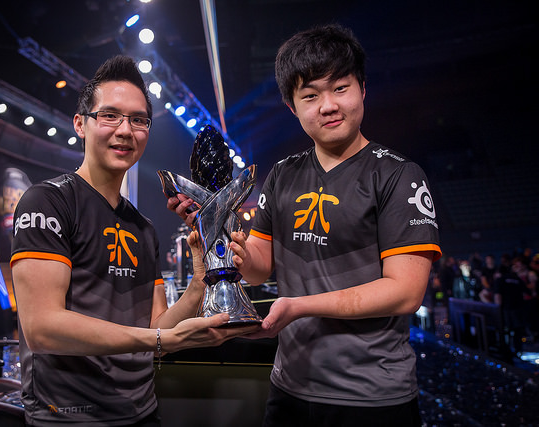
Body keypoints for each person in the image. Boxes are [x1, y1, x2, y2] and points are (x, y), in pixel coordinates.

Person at [169, 24, 441, 426]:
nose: (328, 105)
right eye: (310, 95)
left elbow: (405, 292)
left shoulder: (399, 175)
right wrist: (217, 228)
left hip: (373, 396)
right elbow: (258, 267)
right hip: (289, 388)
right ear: (292, 107)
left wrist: (299, 306)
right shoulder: (283, 174)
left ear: (363, 89)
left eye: (340, 88)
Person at [10, 56, 257, 426]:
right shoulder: (48, 202)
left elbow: (157, 325)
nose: (125, 130)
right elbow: (42, 328)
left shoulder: (142, 227)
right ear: (80, 124)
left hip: (141, 412)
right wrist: (159, 340)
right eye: (110, 116)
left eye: (139, 120)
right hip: (69, 417)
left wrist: (198, 282)